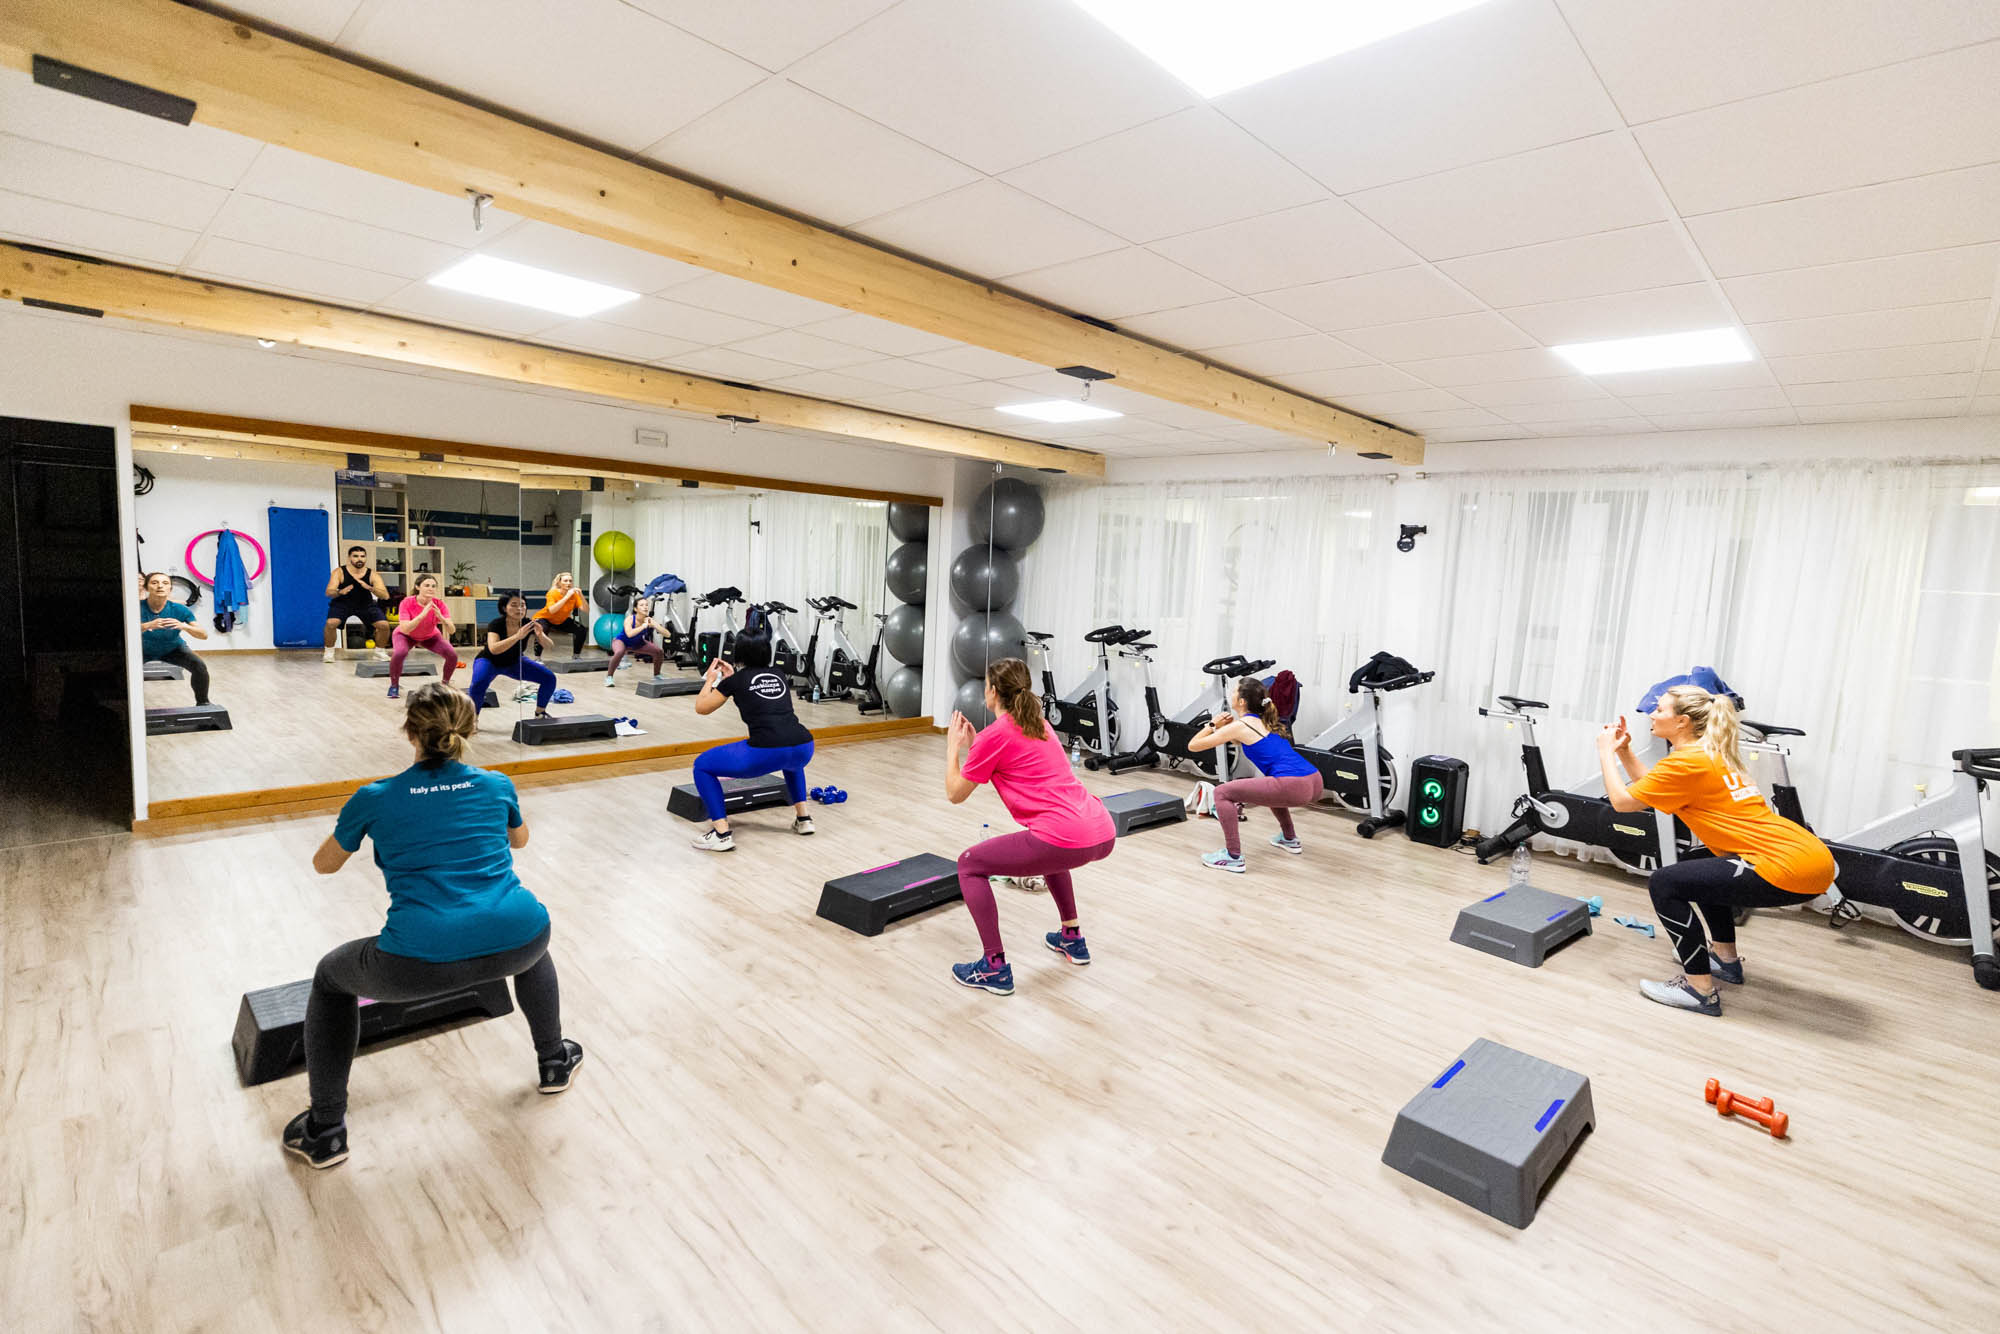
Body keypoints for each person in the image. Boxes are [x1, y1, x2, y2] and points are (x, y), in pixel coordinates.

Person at [284, 683, 583, 1169]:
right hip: (520, 939)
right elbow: (521, 840)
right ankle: (554, 1060)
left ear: (410, 732)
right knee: (525, 935)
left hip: (417, 963)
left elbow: (325, 865)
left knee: (330, 978)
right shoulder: (496, 783)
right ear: (469, 731)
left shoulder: (375, 797)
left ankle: (325, 1129)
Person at [1598, 684, 1836, 1017]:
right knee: (1696, 865)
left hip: (1789, 866)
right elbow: (1652, 788)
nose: (1652, 714)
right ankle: (1725, 960)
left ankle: (1699, 991)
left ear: (1682, 722)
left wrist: (1605, 752)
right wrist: (1624, 752)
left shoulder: (1687, 761)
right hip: (1805, 855)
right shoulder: (1706, 753)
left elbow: (1622, 802)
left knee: (1665, 882)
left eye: (1660, 709)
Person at [943, 658, 1117, 996]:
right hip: (1101, 829)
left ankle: (993, 967)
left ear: (993, 692)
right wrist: (977, 744)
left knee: (969, 864)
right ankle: (1071, 937)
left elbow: (954, 794)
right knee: (1052, 854)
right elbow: (1007, 753)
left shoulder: (995, 737)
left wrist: (953, 750)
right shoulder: (1040, 724)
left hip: (1064, 835)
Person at [688, 626, 815, 850]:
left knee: (702, 766)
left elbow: (702, 707)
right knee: (790, 759)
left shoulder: (735, 681)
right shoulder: (779, 674)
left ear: (739, 652)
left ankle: (721, 834)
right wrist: (732, 679)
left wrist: (711, 679)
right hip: (804, 746)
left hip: (767, 751)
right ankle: (804, 819)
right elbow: (751, 687)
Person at [1187, 676, 1324, 873]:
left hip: (1294, 785)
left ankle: (1233, 857)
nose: (1231, 694)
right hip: (1314, 780)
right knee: (1270, 787)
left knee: (1222, 793)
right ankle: (1289, 838)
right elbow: (1243, 740)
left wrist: (1212, 724)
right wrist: (1226, 728)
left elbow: (1193, 746)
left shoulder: (1241, 726)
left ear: (1242, 701)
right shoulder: (1264, 721)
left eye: (1234, 691)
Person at [468, 593, 558, 718]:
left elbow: (550, 646)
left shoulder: (527, 624)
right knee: (478, 683)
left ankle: (540, 713)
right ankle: (472, 720)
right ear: (504, 608)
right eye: (514, 605)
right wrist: (517, 636)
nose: (519, 609)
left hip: (514, 662)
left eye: (522, 605)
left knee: (549, 678)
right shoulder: (496, 624)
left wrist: (541, 635)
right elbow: (494, 649)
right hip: (489, 661)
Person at [138, 571, 213, 707]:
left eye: (165, 583)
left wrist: (184, 626)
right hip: (142, 650)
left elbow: (203, 635)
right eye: (154, 583)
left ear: (170, 589)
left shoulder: (179, 610)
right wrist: (147, 625)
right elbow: (123, 631)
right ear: (146, 587)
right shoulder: (136, 607)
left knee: (199, 666)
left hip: (172, 649)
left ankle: (203, 703)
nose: (160, 586)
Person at [387, 573, 458, 700]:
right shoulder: (407, 602)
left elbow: (452, 630)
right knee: (400, 653)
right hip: (406, 635)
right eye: (427, 585)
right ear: (417, 587)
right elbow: (405, 628)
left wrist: (441, 617)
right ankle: (394, 685)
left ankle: (445, 684)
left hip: (429, 636)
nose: (431, 588)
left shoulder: (439, 604)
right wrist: (423, 614)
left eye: (433, 586)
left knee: (452, 655)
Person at [324, 546, 392, 663]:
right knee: (331, 623)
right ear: (349, 558)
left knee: (384, 625)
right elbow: (329, 592)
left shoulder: (372, 574)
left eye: (362, 556)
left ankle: (379, 652)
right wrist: (340, 592)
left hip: (365, 604)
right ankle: (329, 652)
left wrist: (370, 588)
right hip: (342, 603)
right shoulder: (339, 572)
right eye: (355, 556)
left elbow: (385, 596)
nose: (359, 559)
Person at [604, 596, 666, 688]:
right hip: (621, 641)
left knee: (658, 651)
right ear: (635, 609)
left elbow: (666, 633)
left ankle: (657, 675)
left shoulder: (648, 620)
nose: (645, 607)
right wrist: (643, 626)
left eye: (646, 605)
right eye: (642, 605)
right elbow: (629, 634)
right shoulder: (629, 619)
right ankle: (609, 677)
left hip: (638, 643)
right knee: (620, 652)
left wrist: (657, 627)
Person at [532, 572, 590, 658]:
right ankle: (537, 657)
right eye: (565, 581)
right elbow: (552, 610)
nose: (568, 583)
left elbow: (586, 610)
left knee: (581, 629)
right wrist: (567, 597)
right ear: (559, 583)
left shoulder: (574, 595)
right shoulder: (552, 593)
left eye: (570, 581)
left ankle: (576, 656)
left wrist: (581, 595)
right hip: (544, 618)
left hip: (561, 620)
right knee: (542, 630)